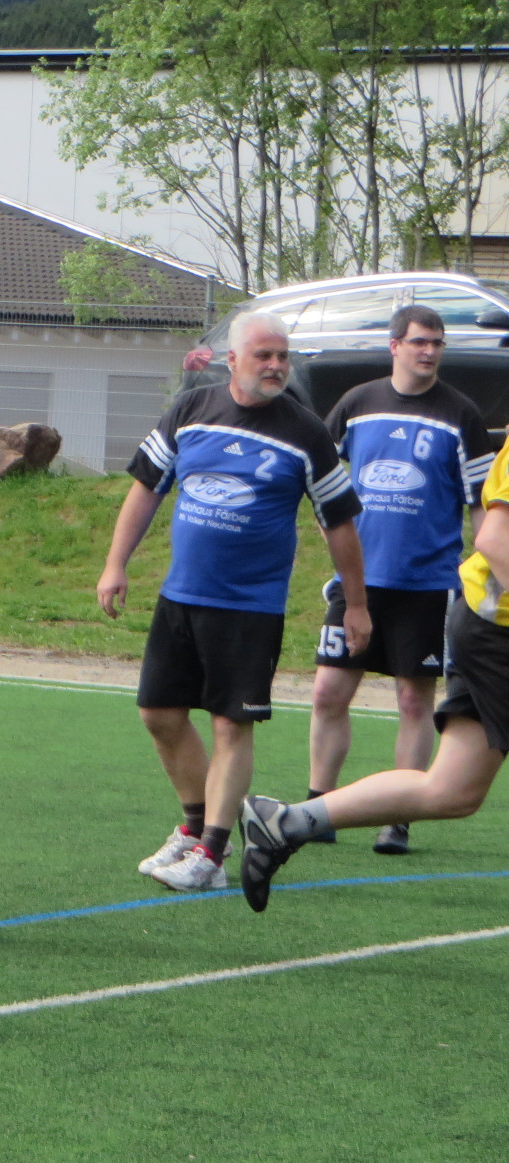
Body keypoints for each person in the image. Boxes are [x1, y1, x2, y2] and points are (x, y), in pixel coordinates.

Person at [97, 310, 368, 892]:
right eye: (264, 355)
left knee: (230, 725)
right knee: (159, 714)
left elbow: (340, 524)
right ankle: (195, 825)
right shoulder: (190, 411)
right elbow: (145, 489)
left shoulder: (305, 432)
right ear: (233, 360)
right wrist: (116, 563)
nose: (275, 366)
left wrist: (356, 603)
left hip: (250, 608)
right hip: (181, 596)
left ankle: (213, 855)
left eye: (283, 356)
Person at [242, 391, 509, 910]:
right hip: (496, 636)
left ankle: (286, 822)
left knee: (452, 791)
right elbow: (494, 539)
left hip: (487, 631)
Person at [306, 306, 492, 856]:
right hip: (359, 583)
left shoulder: (461, 415)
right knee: (328, 691)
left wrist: (487, 562)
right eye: (419, 342)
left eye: (437, 343)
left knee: (414, 701)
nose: (429, 351)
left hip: (428, 585)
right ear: (394, 346)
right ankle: (318, 806)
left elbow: (482, 504)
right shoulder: (357, 404)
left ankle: (398, 818)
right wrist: (331, 537)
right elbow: (319, 477)